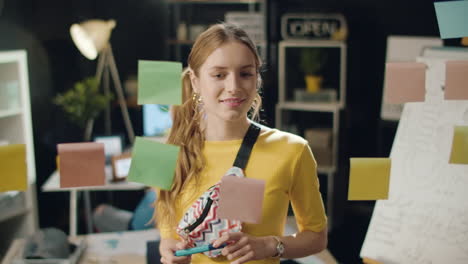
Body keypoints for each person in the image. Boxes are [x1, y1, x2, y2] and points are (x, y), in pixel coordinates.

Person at [155, 23, 328, 264]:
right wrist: (169, 247)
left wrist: (270, 245)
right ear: (195, 81)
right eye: (219, 75)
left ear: (257, 78)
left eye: (245, 74)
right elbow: (167, 231)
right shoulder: (166, 151)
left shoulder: (293, 150)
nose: (234, 87)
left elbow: (317, 237)